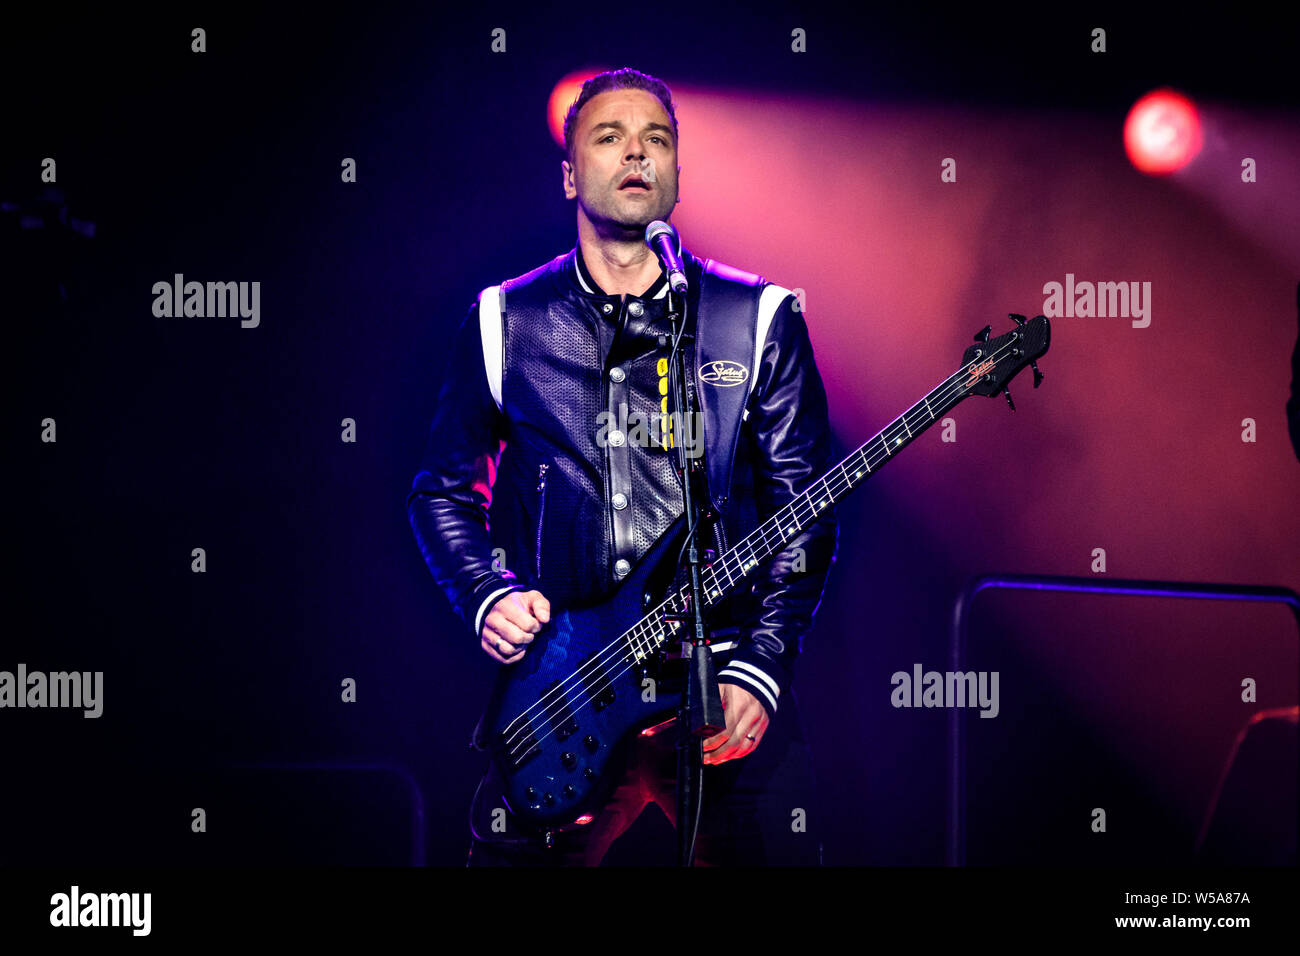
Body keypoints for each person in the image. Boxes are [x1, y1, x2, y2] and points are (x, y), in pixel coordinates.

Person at [407, 67, 838, 865]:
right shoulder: (506, 320)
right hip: (565, 689)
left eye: (658, 140)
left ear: (677, 173)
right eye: (609, 138)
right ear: (571, 173)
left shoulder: (757, 318)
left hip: (720, 688)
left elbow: (804, 513)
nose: (637, 152)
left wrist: (765, 664)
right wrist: (485, 594)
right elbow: (441, 491)